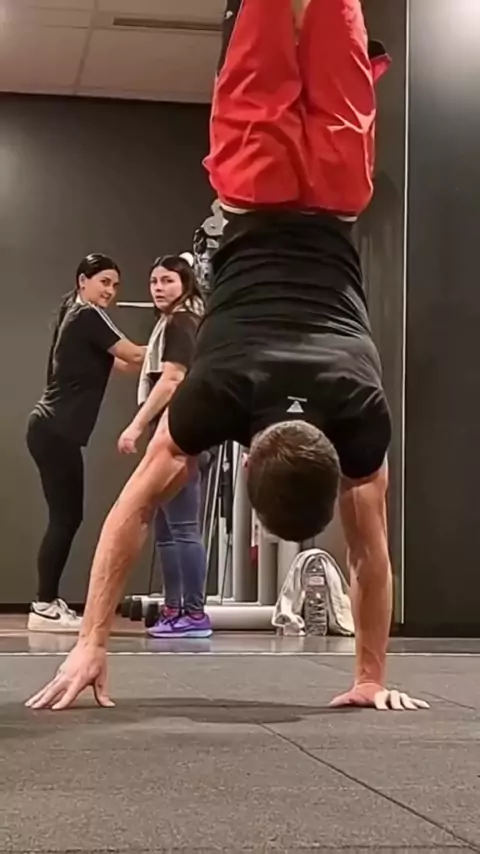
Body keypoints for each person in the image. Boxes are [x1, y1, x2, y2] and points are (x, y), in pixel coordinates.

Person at [26, 0, 429, 711]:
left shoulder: (362, 416)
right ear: (245, 465)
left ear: (335, 467)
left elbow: (370, 555)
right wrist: (90, 642)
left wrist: (372, 677)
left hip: (338, 192)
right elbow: (131, 513)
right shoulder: (215, 397)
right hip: (252, 183)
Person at [27, 253, 146, 632]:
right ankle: (43, 606)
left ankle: (46, 601)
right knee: (66, 518)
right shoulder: (89, 315)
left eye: (115, 285)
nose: (110, 291)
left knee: (66, 518)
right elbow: (134, 353)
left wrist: (168, 362)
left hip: (51, 431)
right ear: (83, 281)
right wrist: (178, 338)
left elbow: (125, 365)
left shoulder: (77, 315)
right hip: (55, 431)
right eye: (104, 282)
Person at [117, 255, 212, 639]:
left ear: (185, 283)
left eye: (168, 280)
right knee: (166, 529)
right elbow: (148, 366)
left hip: (180, 434)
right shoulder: (171, 324)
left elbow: (172, 379)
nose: (158, 287)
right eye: (154, 281)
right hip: (168, 434)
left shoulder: (182, 322)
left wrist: (135, 426)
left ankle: (194, 613)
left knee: (183, 528)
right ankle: (174, 609)